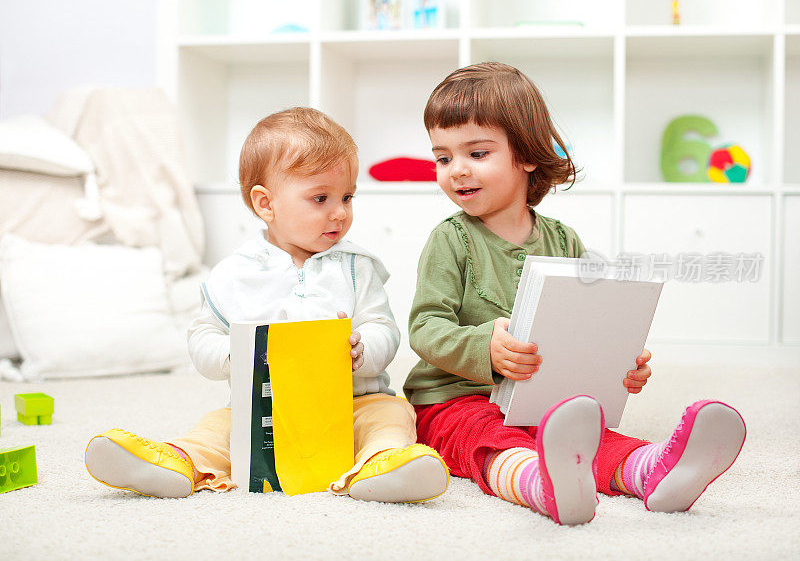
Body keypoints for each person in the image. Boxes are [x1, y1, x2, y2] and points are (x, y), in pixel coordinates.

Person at [404, 62, 746, 525]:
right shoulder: (451, 239)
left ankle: (651, 472)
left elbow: (587, 323)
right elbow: (425, 329)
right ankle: (539, 484)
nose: (456, 171)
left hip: (535, 397)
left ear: (526, 155)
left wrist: (617, 360)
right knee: (485, 437)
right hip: (456, 399)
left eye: (477, 153)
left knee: (584, 432)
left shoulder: (564, 241)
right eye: (443, 158)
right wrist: (484, 345)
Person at [85, 107, 449, 503]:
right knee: (220, 427)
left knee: (392, 415)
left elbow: (384, 327)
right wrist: (232, 354)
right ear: (265, 204)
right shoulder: (233, 274)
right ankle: (176, 461)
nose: (340, 212)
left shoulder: (356, 267)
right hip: (265, 409)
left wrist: (365, 347)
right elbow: (202, 336)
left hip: (352, 401)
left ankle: (384, 464)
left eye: (347, 197)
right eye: (320, 198)